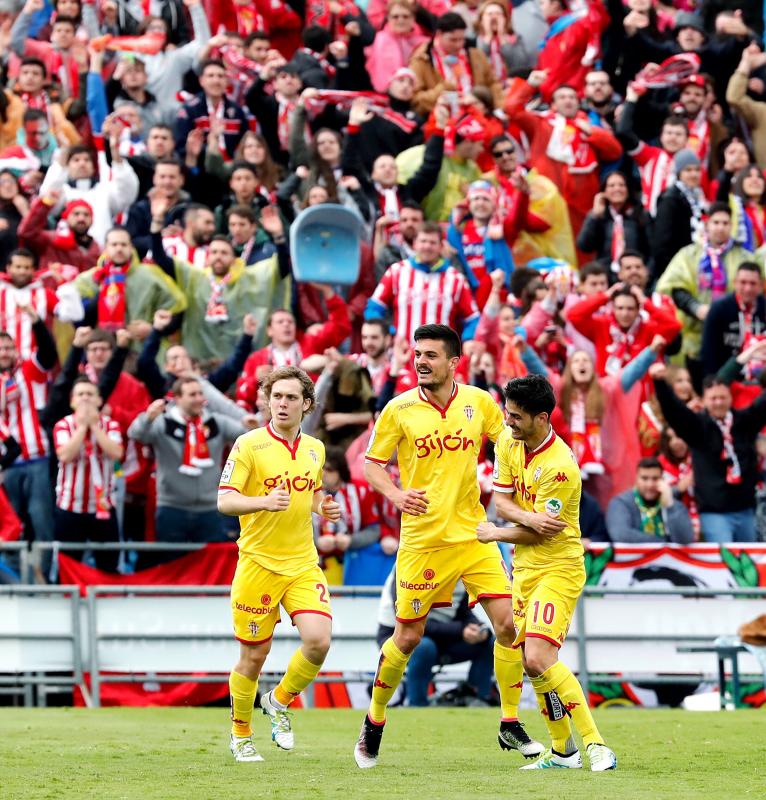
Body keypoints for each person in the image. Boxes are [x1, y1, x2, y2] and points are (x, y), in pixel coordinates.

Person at [354, 324, 543, 769]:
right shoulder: (399, 409)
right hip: (423, 542)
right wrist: (396, 495)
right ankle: (374, 720)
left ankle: (510, 721)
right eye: (417, 354)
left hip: (475, 536)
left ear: (454, 362)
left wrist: (529, 473)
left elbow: (509, 442)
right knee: (408, 636)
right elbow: (371, 464)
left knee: (509, 626)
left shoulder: (479, 402)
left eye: (431, 355)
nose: (421, 361)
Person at [478, 373, 617, 771]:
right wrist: (526, 517)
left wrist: (496, 533)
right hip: (525, 567)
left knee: (538, 655)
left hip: (558, 567)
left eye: (516, 416)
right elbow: (502, 502)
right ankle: (563, 752)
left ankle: (596, 745)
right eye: (507, 413)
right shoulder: (508, 442)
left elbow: (541, 533)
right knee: (532, 661)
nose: (507, 422)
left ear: (541, 418)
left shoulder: (560, 467)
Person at [218, 365, 342, 762]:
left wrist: (324, 507)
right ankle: (241, 735)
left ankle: (279, 700)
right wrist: (262, 501)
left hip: (302, 563)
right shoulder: (248, 445)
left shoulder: (315, 448)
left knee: (319, 641)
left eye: (291, 397)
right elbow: (225, 500)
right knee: (254, 657)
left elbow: (313, 493)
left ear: (306, 404)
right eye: (276, 397)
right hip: (258, 565)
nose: (282, 403)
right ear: (267, 402)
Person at [653, 366, 766, 543]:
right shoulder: (698, 427)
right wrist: (660, 383)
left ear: (730, 398)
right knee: (723, 559)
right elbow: (674, 412)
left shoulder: (744, 422)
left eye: (722, 397)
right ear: (704, 400)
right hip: (714, 513)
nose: (718, 402)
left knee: (748, 559)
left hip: (746, 510)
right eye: (713, 398)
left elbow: (762, 405)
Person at [127, 376, 246, 545]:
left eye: (200, 394)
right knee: (173, 560)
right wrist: (148, 418)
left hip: (210, 508)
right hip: (172, 507)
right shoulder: (164, 422)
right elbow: (136, 434)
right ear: (177, 398)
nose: (199, 399)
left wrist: (251, 422)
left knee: (209, 560)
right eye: (192, 395)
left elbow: (246, 435)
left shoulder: (215, 422)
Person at [52, 377, 124, 571]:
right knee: (68, 566)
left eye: (90, 394)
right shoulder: (63, 425)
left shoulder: (111, 425)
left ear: (99, 400)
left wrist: (94, 426)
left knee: (108, 565)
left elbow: (117, 453)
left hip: (103, 506)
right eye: (80, 394)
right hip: (70, 507)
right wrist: (83, 427)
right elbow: (65, 455)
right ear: (72, 401)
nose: (85, 398)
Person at [605, 457, 695, 544]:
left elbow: (686, 539)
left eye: (655, 478)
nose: (650, 484)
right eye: (644, 478)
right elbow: (621, 535)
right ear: (636, 479)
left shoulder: (673, 503)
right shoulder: (621, 503)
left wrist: (670, 506)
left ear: (663, 479)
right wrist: (665, 543)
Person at [701, 261, 766, 378]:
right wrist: (714, 383)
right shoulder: (719, 309)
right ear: (734, 283)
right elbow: (708, 351)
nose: (748, 288)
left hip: (760, 379)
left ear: (761, 285)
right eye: (743, 282)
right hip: (725, 377)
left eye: (753, 283)